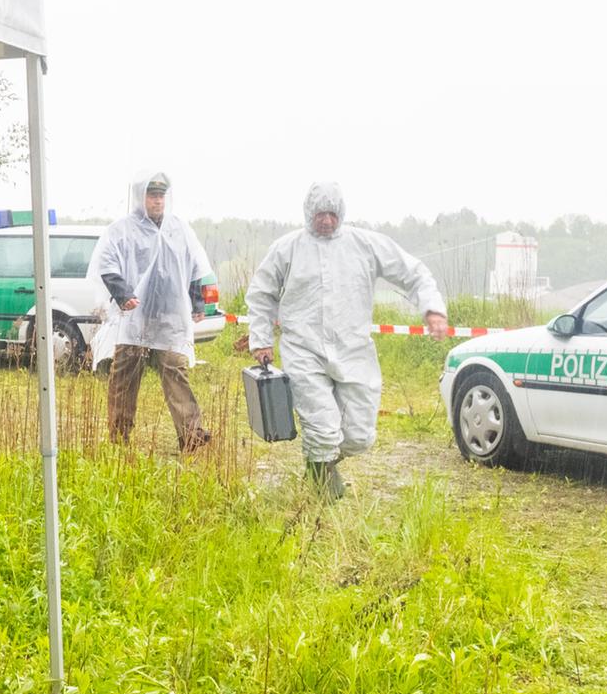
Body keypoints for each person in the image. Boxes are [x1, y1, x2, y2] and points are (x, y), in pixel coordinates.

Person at [246, 182, 449, 496]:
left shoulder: (365, 244)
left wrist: (432, 309)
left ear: (341, 213)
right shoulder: (288, 248)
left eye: (332, 213)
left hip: (354, 351)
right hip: (304, 350)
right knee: (324, 429)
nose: (326, 220)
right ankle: (324, 491)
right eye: (319, 214)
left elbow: (414, 272)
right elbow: (261, 294)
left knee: (359, 436)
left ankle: (319, 463)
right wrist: (260, 339)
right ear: (308, 213)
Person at [90, 170, 215, 451]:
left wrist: (196, 302)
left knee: (176, 373)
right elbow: (107, 264)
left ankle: (192, 436)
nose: (157, 201)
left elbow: (194, 265)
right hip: (134, 319)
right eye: (152, 195)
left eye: (161, 195)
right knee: (124, 377)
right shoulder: (122, 230)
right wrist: (123, 295)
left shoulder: (179, 228)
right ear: (140, 197)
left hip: (170, 319)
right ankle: (118, 437)